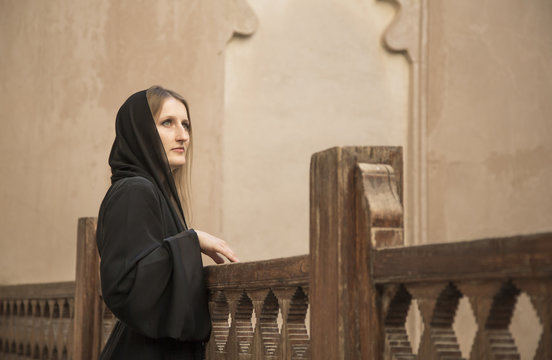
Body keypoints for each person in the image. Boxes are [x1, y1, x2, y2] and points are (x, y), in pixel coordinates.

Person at [96, 86, 238, 359]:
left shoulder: (151, 192)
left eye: (185, 124)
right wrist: (191, 239)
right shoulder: (135, 191)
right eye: (167, 123)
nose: (183, 135)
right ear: (141, 132)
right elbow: (125, 285)